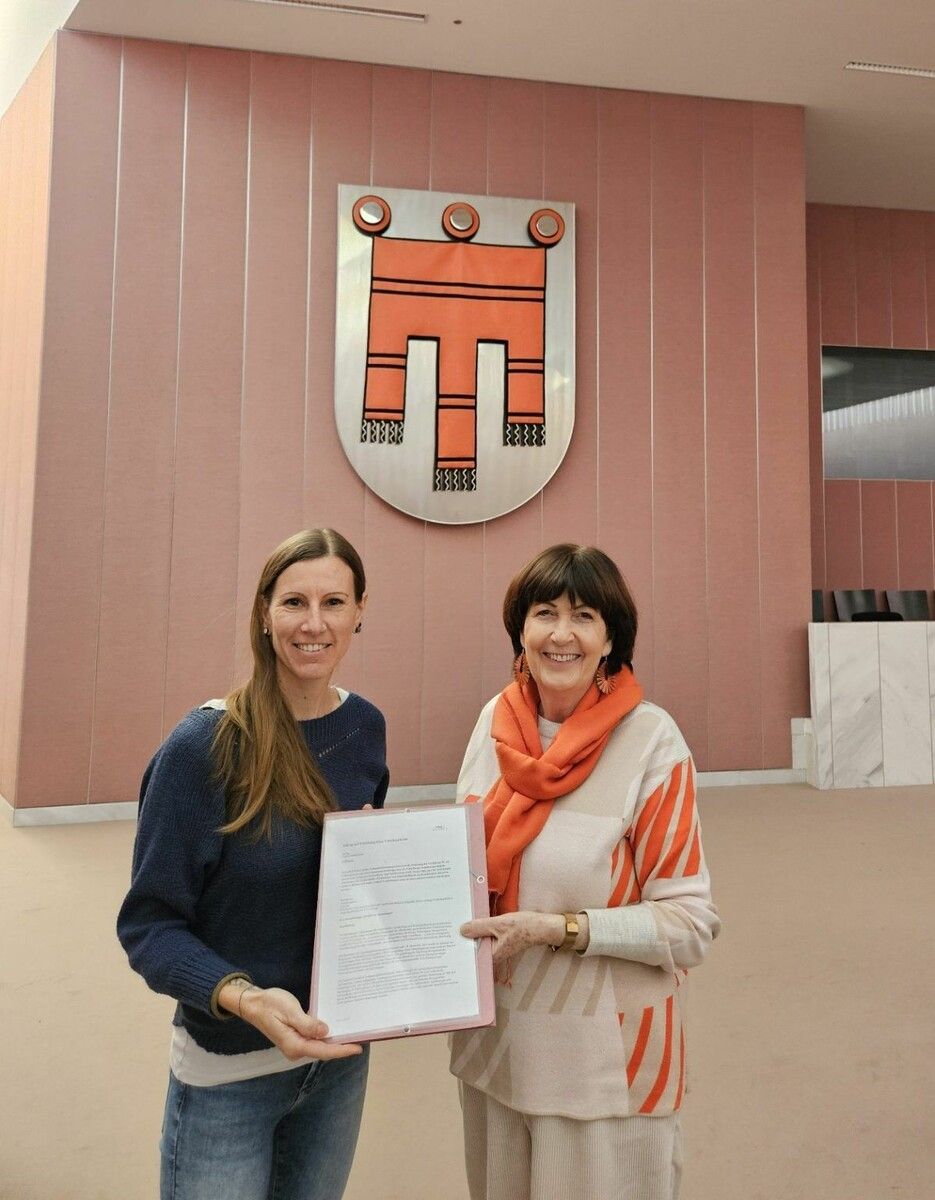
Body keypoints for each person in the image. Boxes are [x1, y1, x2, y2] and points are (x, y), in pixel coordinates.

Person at [117, 528, 388, 1200]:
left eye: (334, 601)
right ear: (264, 615)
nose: (314, 623)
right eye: (294, 602)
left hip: (337, 1063)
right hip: (228, 1069)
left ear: (360, 612)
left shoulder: (365, 729)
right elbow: (149, 928)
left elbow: (346, 890)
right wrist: (246, 998)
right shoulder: (203, 748)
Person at [453, 543, 721, 1200]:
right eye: (544, 613)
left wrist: (559, 928)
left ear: (610, 639)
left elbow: (688, 924)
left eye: (584, 616)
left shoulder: (650, 741)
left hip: (603, 1067)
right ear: (520, 627)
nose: (561, 634)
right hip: (495, 1054)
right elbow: (456, 868)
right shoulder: (497, 722)